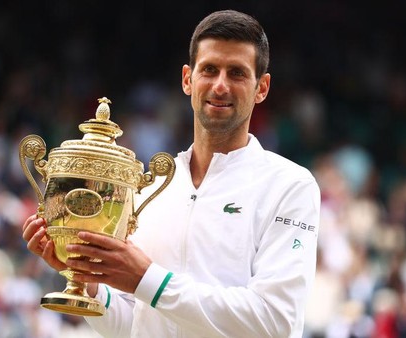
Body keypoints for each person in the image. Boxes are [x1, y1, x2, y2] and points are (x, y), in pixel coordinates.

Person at [22, 9, 321, 337]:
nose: (220, 85)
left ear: (261, 88)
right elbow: (136, 325)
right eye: (209, 69)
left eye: (236, 73)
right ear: (187, 80)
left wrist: (147, 279)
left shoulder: (290, 186)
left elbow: (274, 322)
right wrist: (89, 284)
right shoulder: (151, 188)